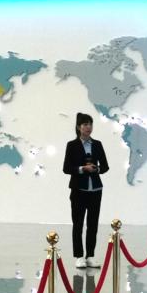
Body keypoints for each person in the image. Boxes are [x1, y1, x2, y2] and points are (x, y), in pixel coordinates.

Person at [62, 112, 109, 269]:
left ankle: (90, 256)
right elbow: (66, 168)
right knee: (78, 223)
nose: (88, 127)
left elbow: (105, 166)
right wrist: (82, 168)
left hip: (95, 189)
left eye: (90, 124)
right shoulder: (72, 145)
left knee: (93, 224)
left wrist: (96, 169)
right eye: (85, 124)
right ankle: (79, 256)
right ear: (78, 127)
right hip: (78, 189)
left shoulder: (97, 144)